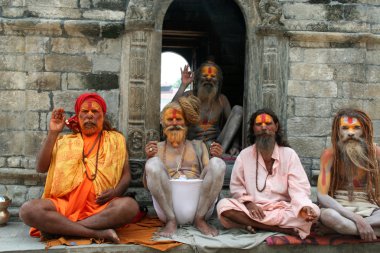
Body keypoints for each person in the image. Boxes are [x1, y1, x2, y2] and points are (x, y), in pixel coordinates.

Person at [19, 93, 140, 243]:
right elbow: (41, 167)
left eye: (95, 112)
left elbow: (126, 175)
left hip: (101, 208)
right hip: (64, 206)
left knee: (129, 206)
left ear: (103, 116)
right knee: (28, 210)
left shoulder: (116, 140)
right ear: (78, 117)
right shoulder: (64, 141)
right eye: (84, 112)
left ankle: (62, 229)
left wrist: (115, 192)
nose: (89, 116)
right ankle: (97, 233)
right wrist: (53, 133)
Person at [217, 108, 319, 239]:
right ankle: (276, 228)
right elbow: (237, 188)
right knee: (223, 206)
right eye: (259, 124)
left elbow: (299, 189)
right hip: (254, 210)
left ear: (276, 127)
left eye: (268, 124)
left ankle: (253, 225)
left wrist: (303, 207)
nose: (264, 127)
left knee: (315, 211)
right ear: (253, 130)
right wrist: (249, 204)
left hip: (282, 209)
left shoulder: (289, 154)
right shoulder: (244, 155)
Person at [144, 95, 226, 237]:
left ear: (186, 123)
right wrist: (149, 159)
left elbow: (212, 176)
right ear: (163, 123)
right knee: (152, 164)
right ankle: (171, 220)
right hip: (167, 208)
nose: (174, 123)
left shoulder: (199, 146)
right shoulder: (156, 148)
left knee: (218, 164)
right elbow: (147, 185)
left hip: (199, 207)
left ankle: (200, 220)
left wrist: (217, 157)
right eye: (170, 120)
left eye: (179, 119)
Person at [317, 108, 380, 241]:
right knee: (328, 216)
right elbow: (322, 195)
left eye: (356, 127)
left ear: (365, 130)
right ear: (337, 131)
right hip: (339, 208)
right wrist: (356, 219)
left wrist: (363, 221)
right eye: (345, 128)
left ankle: (343, 230)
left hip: (370, 209)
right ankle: (370, 229)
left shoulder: (376, 153)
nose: (350, 133)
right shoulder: (329, 155)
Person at [172, 60, 243, 155]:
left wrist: (235, 145)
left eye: (213, 76)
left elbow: (233, 127)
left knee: (238, 110)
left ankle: (221, 153)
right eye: (204, 76)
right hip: (192, 144)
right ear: (197, 79)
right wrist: (184, 84)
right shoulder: (188, 96)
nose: (208, 78)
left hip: (216, 144)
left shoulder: (222, 100)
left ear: (218, 80)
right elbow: (171, 109)